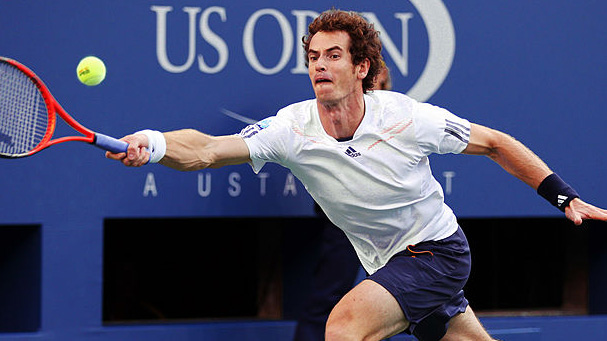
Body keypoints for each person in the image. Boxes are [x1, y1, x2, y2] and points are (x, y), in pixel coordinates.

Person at [107, 9, 607, 341]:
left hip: (436, 253)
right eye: (312, 58)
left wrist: (565, 198)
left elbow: (496, 143)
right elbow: (209, 151)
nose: (319, 67)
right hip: (387, 260)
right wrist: (155, 145)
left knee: (343, 327)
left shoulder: (408, 117)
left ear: (362, 67)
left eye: (333, 56)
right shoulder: (291, 128)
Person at [293, 63, 391, 341]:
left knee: (391, 307)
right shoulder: (332, 123)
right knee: (327, 301)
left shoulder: (396, 126)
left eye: (380, 86)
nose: (374, 92)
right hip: (344, 229)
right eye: (370, 85)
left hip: (389, 233)